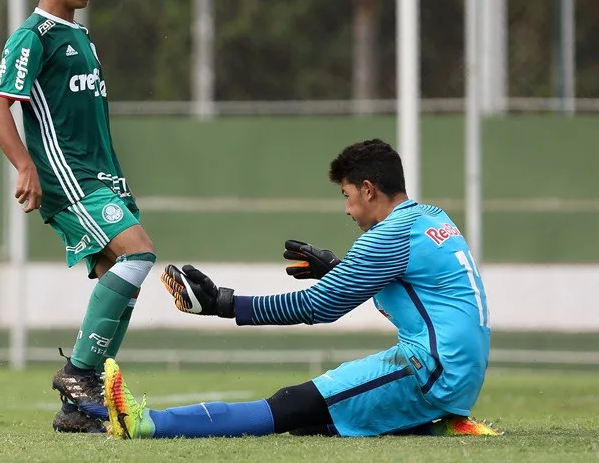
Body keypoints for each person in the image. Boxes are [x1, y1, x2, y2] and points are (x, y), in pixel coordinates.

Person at [103, 139, 502, 439]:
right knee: (314, 422)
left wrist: (224, 305)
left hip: (434, 372)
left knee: (290, 404)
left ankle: (146, 424)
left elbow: (320, 306)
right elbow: (417, 288)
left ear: (368, 189)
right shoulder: (431, 217)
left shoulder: (389, 236)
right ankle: (438, 428)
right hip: (458, 368)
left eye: (347, 196)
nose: (347, 210)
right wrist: (339, 269)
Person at [0, 0, 155, 434]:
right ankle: (78, 374)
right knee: (139, 254)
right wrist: (25, 165)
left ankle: (78, 409)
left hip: (102, 176)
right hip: (68, 178)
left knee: (118, 280)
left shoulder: (80, 37)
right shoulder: (32, 37)